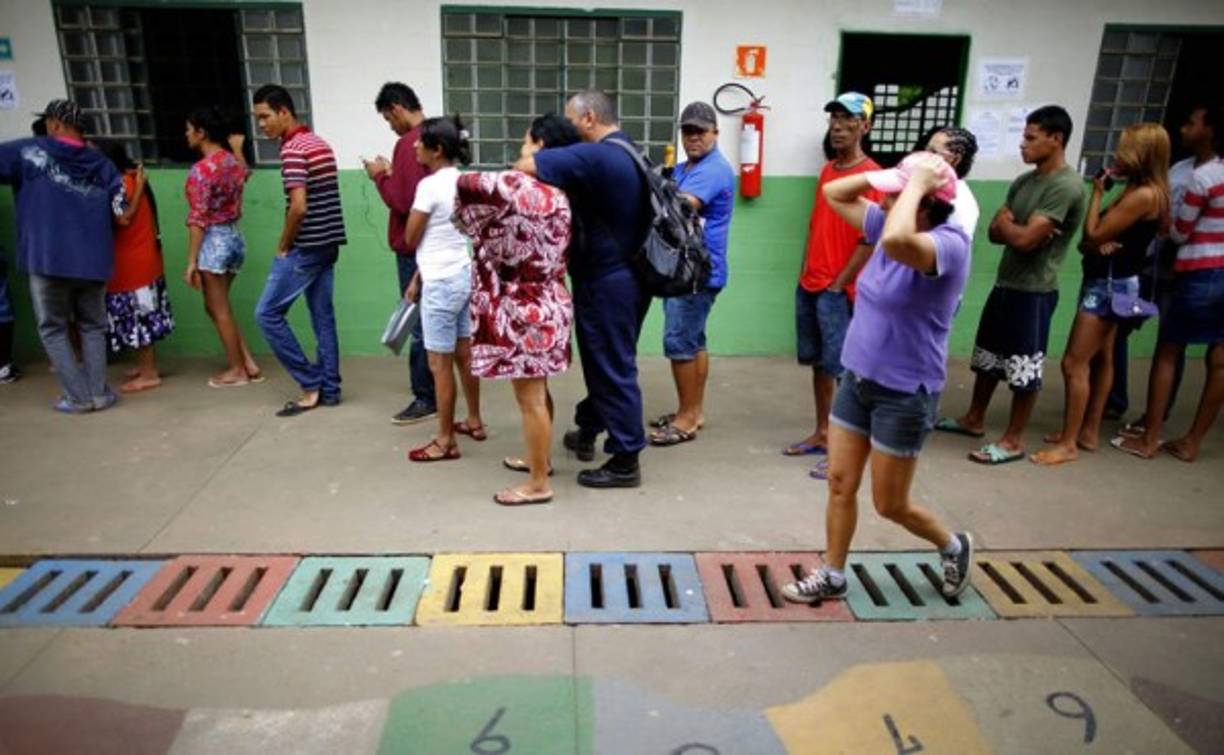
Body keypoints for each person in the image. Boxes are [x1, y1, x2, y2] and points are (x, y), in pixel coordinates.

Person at [781, 152, 974, 604]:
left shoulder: (949, 244)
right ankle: (833, 573)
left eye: (893, 196)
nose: (882, 202)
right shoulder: (888, 223)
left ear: (924, 203)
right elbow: (834, 193)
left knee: (890, 505)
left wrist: (913, 186)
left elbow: (897, 242)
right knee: (840, 483)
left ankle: (952, 545)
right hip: (859, 380)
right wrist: (898, 176)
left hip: (905, 393)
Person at [513, 89, 653, 489]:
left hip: (607, 281)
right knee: (606, 359)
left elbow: (525, 164)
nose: (569, 129)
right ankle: (588, 428)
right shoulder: (630, 150)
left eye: (572, 120)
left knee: (612, 365)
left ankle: (626, 459)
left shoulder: (598, 154)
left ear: (589, 118)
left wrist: (537, 149)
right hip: (630, 276)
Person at [935, 106, 1086, 464]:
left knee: (1023, 368)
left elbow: (1025, 240)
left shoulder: (1066, 186)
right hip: (1006, 283)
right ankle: (974, 418)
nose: (1023, 145)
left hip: (1035, 290)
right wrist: (1015, 229)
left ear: (1056, 139)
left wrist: (1015, 229)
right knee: (987, 358)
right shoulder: (1024, 182)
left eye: (1031, 138)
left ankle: (1014, 439)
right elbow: (995, 230)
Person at [453, 114, 580, 500]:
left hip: (524, 309)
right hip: (552, 300)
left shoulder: (518, 187)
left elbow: (465, 185)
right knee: (539, 390)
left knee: (530, 398)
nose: (519, 151)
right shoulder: (561, 194)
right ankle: (540, 461)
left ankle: (538, 484)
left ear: (540, 145)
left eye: (526, 142)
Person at [1031, 123, 1170, 465]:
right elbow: (1091, 243)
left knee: (1073, 363)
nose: (1117, 156)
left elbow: (1091, 234)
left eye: (1125, 149)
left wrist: (1096, 193)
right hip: (1116, 282)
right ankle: (1088, 432)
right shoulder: (1144, 191)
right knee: (1103, 356)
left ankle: (1068, 443)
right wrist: (1095, 242)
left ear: (1142, 154)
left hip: (1107, 288)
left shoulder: (1142, 195)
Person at [0, 100, 126, 413]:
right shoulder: (103, 165)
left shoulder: (28, 152)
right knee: (93, 326)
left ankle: (78, 398)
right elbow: (120, 210)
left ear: (55, 123)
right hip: (94, 261)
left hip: (47, 258)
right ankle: (98, 394)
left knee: (53, 328)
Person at [1114, 105, 1224, 462]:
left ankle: (1150, 438)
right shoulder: (1191, 170)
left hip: (1198, 272)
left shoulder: (1202, 178)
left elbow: (1179, 232)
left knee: (1168, 352)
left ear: (1210, 131)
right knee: (1219, 360)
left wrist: (1163, 222)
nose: (1184, 128)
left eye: (1192, 123)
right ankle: (1191, 441)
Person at [784, 92, 881, 481]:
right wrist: (805, 270)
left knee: (844, 372)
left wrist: (840, 284)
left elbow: (870, 239)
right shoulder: (828, 171)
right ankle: (823, 432)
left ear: (866, 126)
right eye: (835, 118)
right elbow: (817, 225)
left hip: (840, 290)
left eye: (849, 119)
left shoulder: (871, 175)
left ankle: (844, 449)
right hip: (811, 283)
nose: (839, 126)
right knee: (819, 366)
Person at [251, 84, 347, 417]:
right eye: (258, 119)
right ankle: (330, 390)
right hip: (328, 244)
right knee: (323, 318)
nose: (261, 125)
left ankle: (310, 384)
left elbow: (299, 207)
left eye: (265, 117)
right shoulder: (319, 143)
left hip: (306, 247)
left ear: (284, 112)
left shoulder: (293, 149)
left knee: (266, 315)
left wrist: (283, 245)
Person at [649, 101, 736, 446]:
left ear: (716, 132)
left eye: (700, 131)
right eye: (688, 131)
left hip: (694, 273)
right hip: (693, 270)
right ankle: (694, 411)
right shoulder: (686, 167)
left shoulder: (713, 170)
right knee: (695, 341)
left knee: (680, 342)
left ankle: (685, 419)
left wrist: (654, 190)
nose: (693, 137)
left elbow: (678, 208)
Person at [403, 116, 483, 462]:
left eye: (421, 142)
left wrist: (422, 274)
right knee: (465, 353)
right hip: (463, 273)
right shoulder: (466, 181)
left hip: (440, 282)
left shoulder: (429, 186)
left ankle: (445, 439)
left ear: (437, 150)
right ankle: (475, 420)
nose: (414, 145)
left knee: (439, 363)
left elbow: (410, 237)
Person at [365, 82, 437, 425]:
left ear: (396, 108)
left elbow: (405, 202)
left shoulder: (409, 143)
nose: (391, 126)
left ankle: (425, 396)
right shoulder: (438, 136)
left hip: (413, 247)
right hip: (438, 245)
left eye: (388, 119)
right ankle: (439, 392)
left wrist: (379, 177)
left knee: (418, 322)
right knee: (437, 322)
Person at [183, 106, 262, 388]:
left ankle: (237, 369)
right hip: (234, 238)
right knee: (220, 307)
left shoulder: (201, 170)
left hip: (214, 241)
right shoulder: (230, 161)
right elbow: (245, 173)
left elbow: (198, 218)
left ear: (202, 132)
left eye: (189, 129)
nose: (186, 134)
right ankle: (248, 363)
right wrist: (237, 148)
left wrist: (191, 260)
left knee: (218, 309)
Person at [100, 142, 175, 393]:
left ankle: (149, 372)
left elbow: (123, 218)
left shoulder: (120, 185)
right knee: (144, 316)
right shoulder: (132, 180)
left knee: (138, 319)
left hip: (130, 265)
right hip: (145, 259)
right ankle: (146, 367)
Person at [916, 125, 980, 238]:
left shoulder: (960, 205)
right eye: (926, 149)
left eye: (933, 152)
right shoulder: (934, 186)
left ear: (955, 159)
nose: (924, 156)